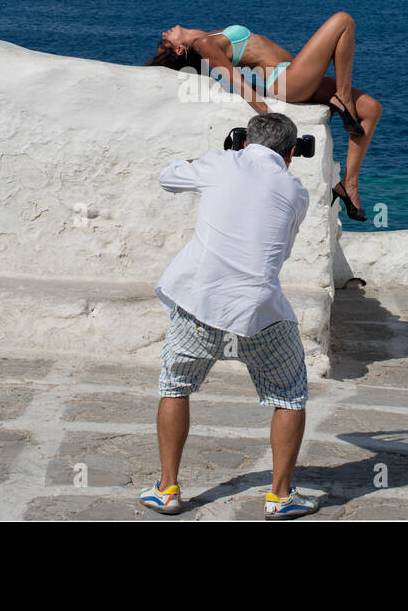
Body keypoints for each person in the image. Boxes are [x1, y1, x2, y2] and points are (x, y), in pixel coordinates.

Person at [138, 112, 320, 519]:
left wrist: (221, 153)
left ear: (243, 141)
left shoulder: (222, 163)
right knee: (289, 395)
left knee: (175, 386)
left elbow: (169, 177)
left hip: (199, 302)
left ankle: (167, 489)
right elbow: (281, 251)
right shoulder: (295, 191)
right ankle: (279, 496)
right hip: (259, 311)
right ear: (292, 153)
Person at [146, 13, 381, 221]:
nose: (165, 32)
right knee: (343, 21)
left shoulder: (206, 37)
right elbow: (236, 80)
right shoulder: (203, 44)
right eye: (166, 40)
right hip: (286, 81)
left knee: (371, 109)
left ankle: (348, 184)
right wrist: (268, 114)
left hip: (290, 75)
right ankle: (343, 99)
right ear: (179, 49)